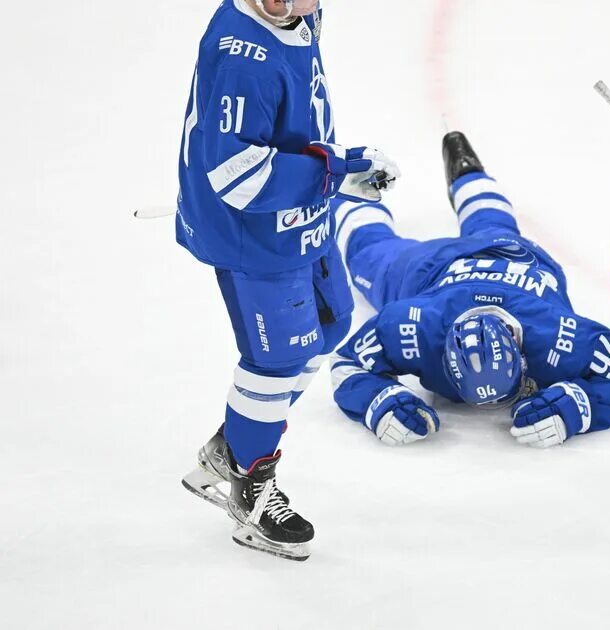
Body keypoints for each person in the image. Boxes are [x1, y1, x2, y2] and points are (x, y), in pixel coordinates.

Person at [176, 0, 400, 561]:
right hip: (253, 236)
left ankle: (232, 446)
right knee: (275, 362)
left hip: (299, 219)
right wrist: (337, 170)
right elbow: (237, 176)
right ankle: (249, 488)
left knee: (331, 323)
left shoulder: (299, 16)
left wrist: (331, 173)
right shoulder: (241, 57)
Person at [329, 131, 610, 448]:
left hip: (506, 257)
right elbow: (346, 362)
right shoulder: (414, 325)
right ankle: (356, 188)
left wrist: (580, 407)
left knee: (487, 227)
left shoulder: (558, 334)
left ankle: (467, 171)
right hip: (434, 270)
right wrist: (379, 403)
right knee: (369, 252)